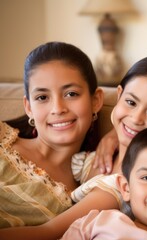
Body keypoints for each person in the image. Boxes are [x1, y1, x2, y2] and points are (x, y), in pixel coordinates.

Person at [0, 54, 147, 239]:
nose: (135, 118)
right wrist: (114, 134)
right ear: (119, 95)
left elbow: (48, 232)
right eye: (131, 102)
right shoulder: (89, 159)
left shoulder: (121, 185)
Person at [0, 41, 104, 228]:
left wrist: (114, 136)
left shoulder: (89, 193)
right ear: (29, 107)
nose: (58, 109)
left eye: (71, 94)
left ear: (96, 100)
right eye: (42, 97)